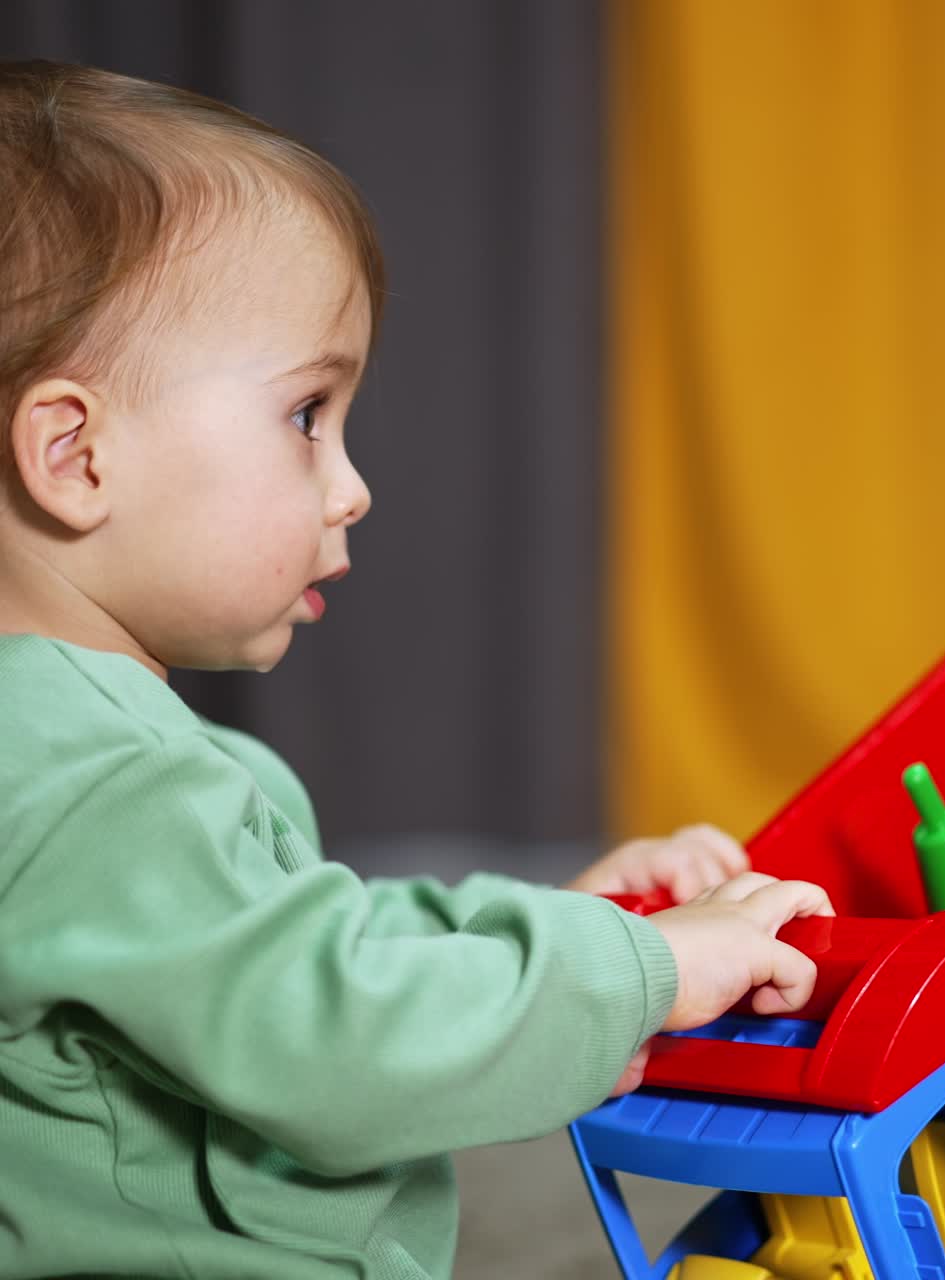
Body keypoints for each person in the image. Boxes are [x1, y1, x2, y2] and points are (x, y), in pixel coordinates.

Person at [0, 60, 833, 1278]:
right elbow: (340, 1034)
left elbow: (309, 948)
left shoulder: (71, 747)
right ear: (76, 454)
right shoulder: (102, 782)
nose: (352, 486)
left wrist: (564, 931)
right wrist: (645, 970)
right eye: (305, 416)